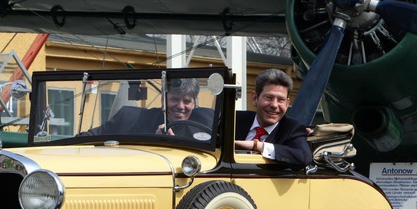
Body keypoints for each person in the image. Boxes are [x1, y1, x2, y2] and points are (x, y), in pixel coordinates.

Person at [80, 78, 213, 136]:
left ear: (194, 103)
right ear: (163, 99)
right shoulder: (130, 118)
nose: (180, 106)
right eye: (174, 99)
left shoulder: (208, 120)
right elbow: (90, 137)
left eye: (187, 101)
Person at [235, 69, 311, 168]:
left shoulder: (292, 129)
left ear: (287, 104)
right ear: (255, 98)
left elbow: (304, 157)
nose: (274, 105)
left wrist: (257, 146)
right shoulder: (235, 120)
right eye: (269, 97)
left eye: (281, 100)